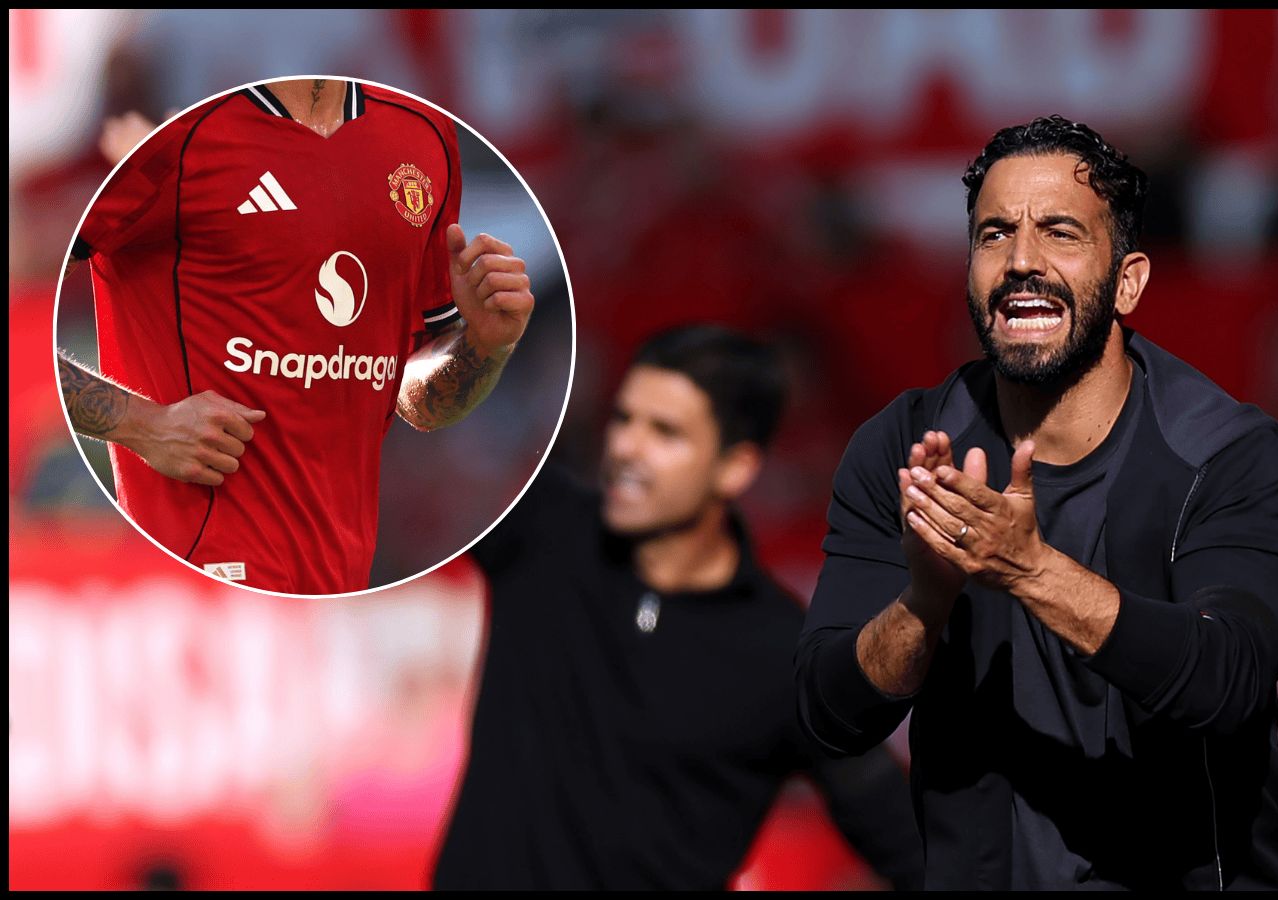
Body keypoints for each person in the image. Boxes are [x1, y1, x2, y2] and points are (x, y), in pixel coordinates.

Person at [796, 115, 1278, 890]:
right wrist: (924, 602)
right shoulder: (902, 446)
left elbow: (1226, 682)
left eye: (1060, 233)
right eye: (993, 235)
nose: (1021, 262)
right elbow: (828, 716)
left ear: (1128, 279)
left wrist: (1029, 570)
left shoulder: (1223, 452)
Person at [435, 325, 923, 891]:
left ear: (735, 467)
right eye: (624, 420)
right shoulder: (539, 531)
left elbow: (914, 848)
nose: (626, 449)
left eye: (665, 432)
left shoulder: (784, 655)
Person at [57, 77, 534, 594]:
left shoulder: (425, 135)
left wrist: (486, 344)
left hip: (340, 582)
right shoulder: (181, 133)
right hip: (197, 572)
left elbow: (417, 402)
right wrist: (144, 424)